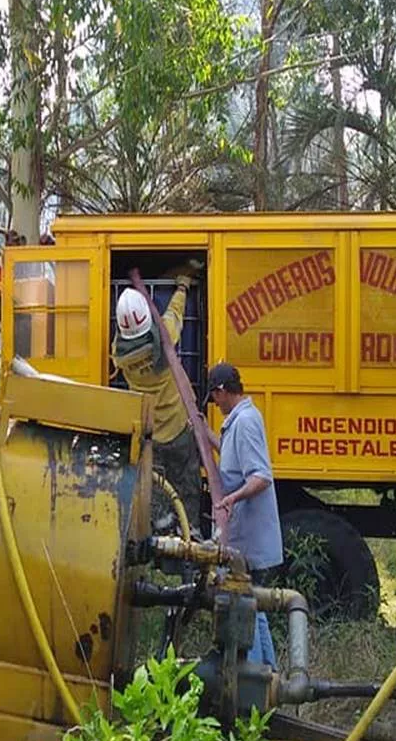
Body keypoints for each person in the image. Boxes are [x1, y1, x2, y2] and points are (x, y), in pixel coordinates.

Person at [203, 362, 283, 669]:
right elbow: (233, 457)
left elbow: (260, 477)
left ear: (222, 391)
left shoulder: (246, 422)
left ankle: (254, 677)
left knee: (246, 606)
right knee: (255, 608)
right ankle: (269, 673)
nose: (215, 404)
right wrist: (206, 434)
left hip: (249, 538)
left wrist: (231, 498)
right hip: (245, 536)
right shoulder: (240, 420)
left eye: (214, 397)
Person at [111, 271, 202, 536]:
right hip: (179, 428)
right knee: (187, 483)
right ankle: (191, 532)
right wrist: (182, 287)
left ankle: (162, 538)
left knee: (158, 491)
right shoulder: (166, 338)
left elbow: (119, 339)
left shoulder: (120, 356)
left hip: (150, 434)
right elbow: (174, 315)